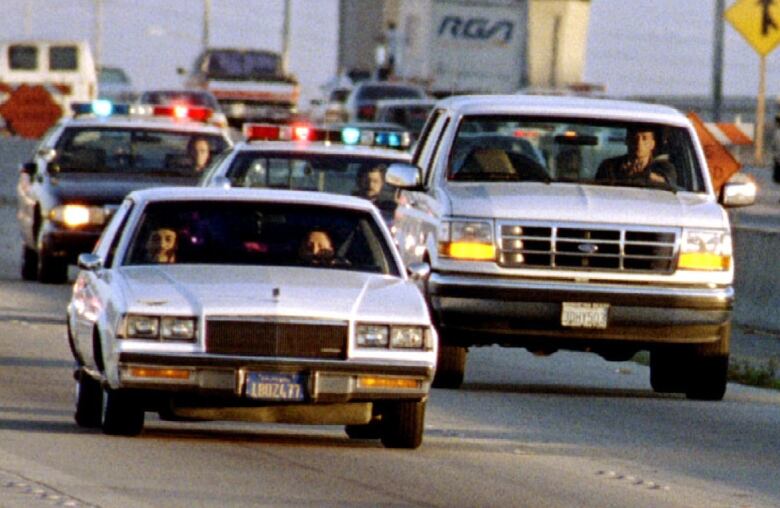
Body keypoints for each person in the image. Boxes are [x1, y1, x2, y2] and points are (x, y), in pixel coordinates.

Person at [595, 127, 675, 187]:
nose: (639, 143)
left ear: (652, 144)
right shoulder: (609, 167)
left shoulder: (664, 168)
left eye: (644, 138)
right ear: (627, 140)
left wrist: (646, 175)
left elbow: (669, 185)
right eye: (635, 138)